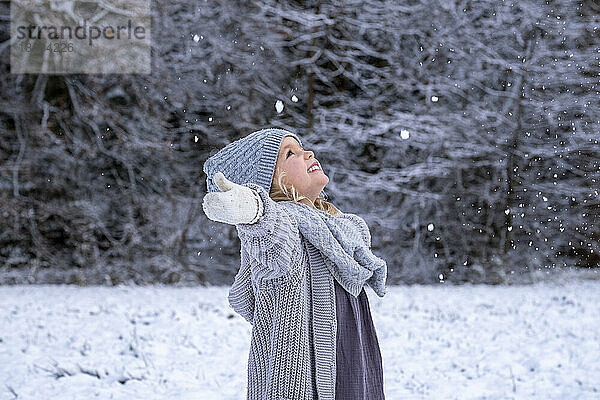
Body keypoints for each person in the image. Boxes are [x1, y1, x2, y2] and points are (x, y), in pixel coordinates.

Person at [202, 127, 387, 400]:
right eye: (291, 154)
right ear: (270, 185)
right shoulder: (284, 229)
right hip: (300, 381)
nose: (307, 153)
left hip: (353, 369)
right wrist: (252, 207)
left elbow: (357, 236)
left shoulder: (337, 231)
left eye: (302, 148)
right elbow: (270, 230)